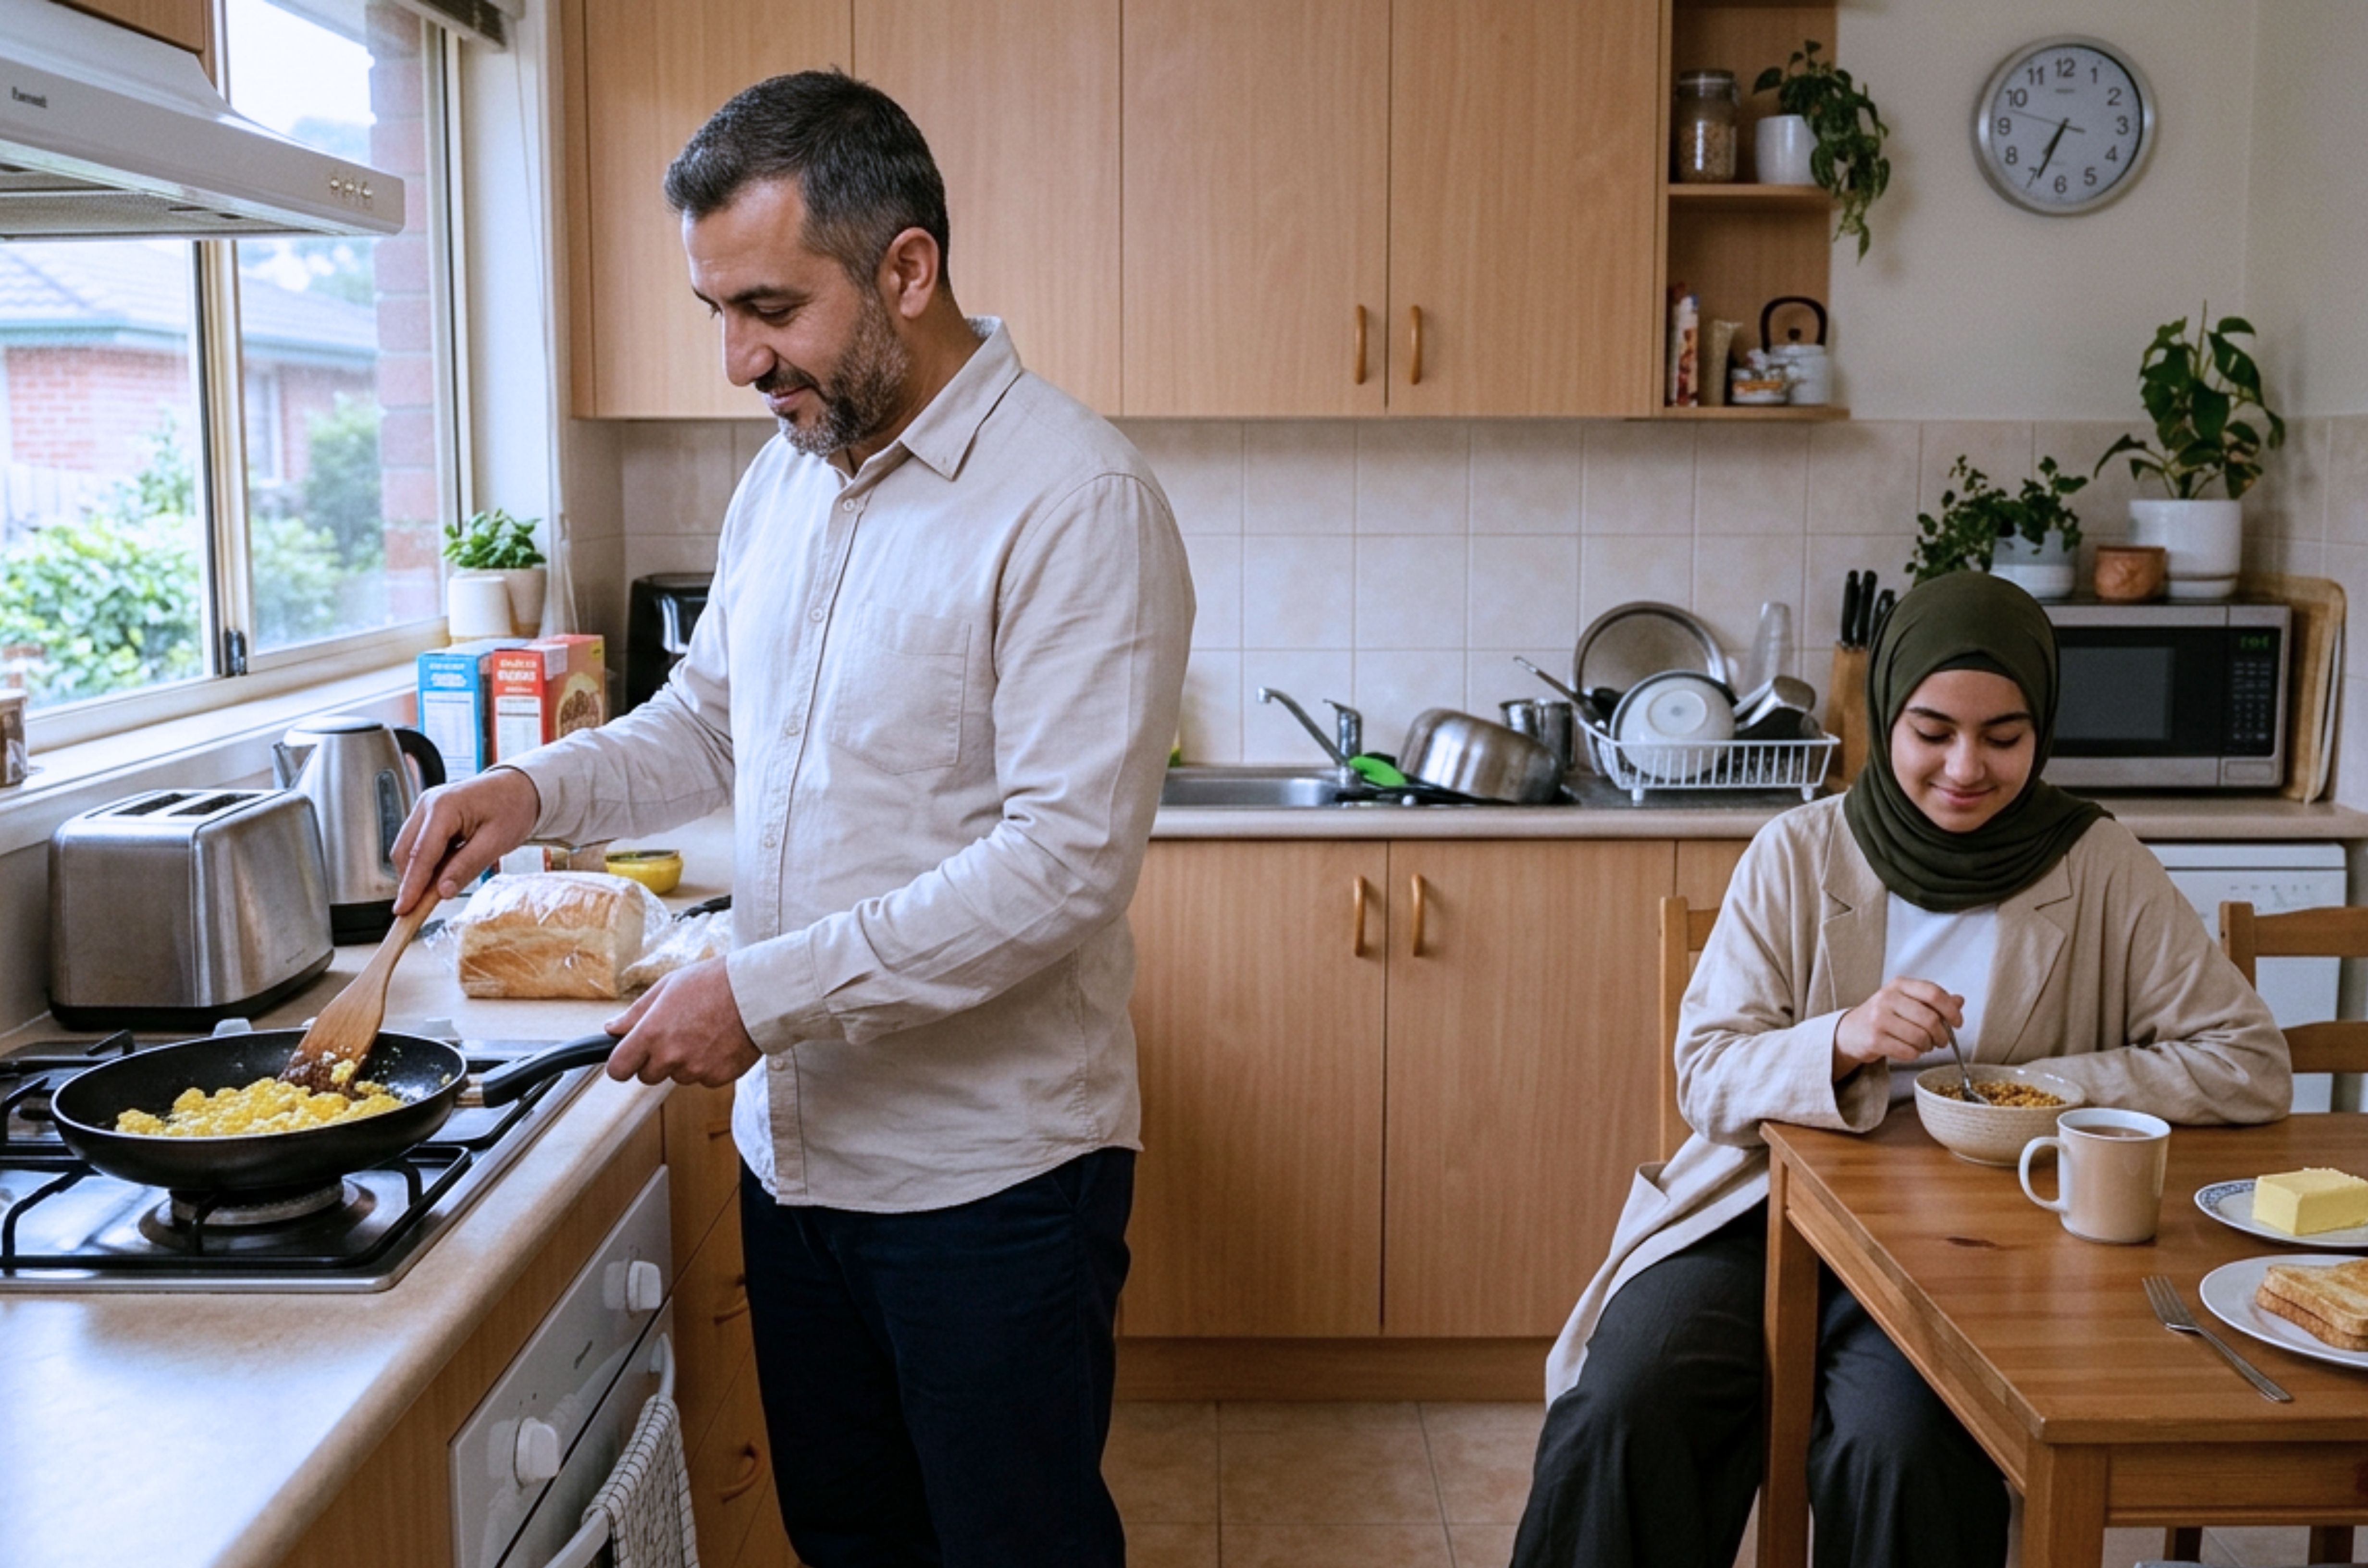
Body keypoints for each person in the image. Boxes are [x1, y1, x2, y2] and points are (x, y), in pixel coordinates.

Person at [390, 71, 1193, 1568]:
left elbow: (1063, 865)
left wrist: (757, 993)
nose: (739, 357)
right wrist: (526, 790)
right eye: (716, 310)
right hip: (799, 1160)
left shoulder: (1075, 498)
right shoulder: (789, 479)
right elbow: (709, 722)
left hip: (991, 1181)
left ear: (908, 268)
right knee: (851, 1541)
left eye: (769, 306)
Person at [1512, 571, 2287, 1568]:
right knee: (1628, 1404)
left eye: (2003, 737)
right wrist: (1837, 1039)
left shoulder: (2097, 863)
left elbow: (2250, 1066)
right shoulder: (1797, 851)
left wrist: (2038, 1089)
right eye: (1933, 732)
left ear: (2041, 729)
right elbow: (1705, 1077)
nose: (1966, 767)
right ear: (1887, 717)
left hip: (1972, 1247)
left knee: (1908, 1453)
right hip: (1755, 1212)